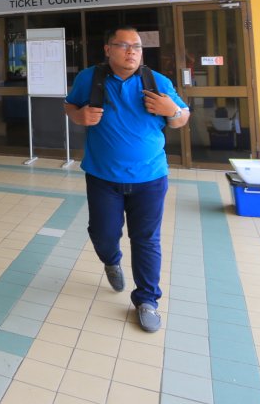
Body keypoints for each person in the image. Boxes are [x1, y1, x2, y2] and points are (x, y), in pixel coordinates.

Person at [64, 27, 189, 333]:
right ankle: (111, 260)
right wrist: (79, 117)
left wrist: (171, 110)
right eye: (123, 46)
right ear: (108, 49)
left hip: (150, 177)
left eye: (136, 46)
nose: (131, 51)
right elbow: (70, 105)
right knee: (103, 233)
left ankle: (147, 300)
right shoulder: (90, 78)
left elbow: (183, 117)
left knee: (146, 239)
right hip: (102, 176)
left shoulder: (156, 81)